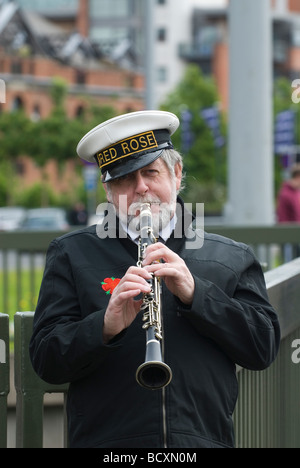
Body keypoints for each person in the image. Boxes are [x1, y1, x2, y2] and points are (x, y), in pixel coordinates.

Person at [29, 110, 280, 449]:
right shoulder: (71, 253)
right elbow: (46, 361)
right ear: (107, 189)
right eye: (124, 179)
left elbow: (262, 348)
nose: (141, 188)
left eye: (150, 172)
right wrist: (103, 327)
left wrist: (197, 296)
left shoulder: (231, 256)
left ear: (176, 174)